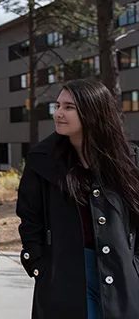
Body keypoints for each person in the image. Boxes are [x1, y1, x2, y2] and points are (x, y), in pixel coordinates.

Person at [17, 79, 139, 319]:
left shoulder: (129, 160)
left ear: (93, 112)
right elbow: (29, 217)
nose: (58, 113)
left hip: (122, 273)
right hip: (64, 277)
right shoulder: (42, 161)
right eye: (58, 105)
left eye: (69, 107)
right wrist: (38, 264)